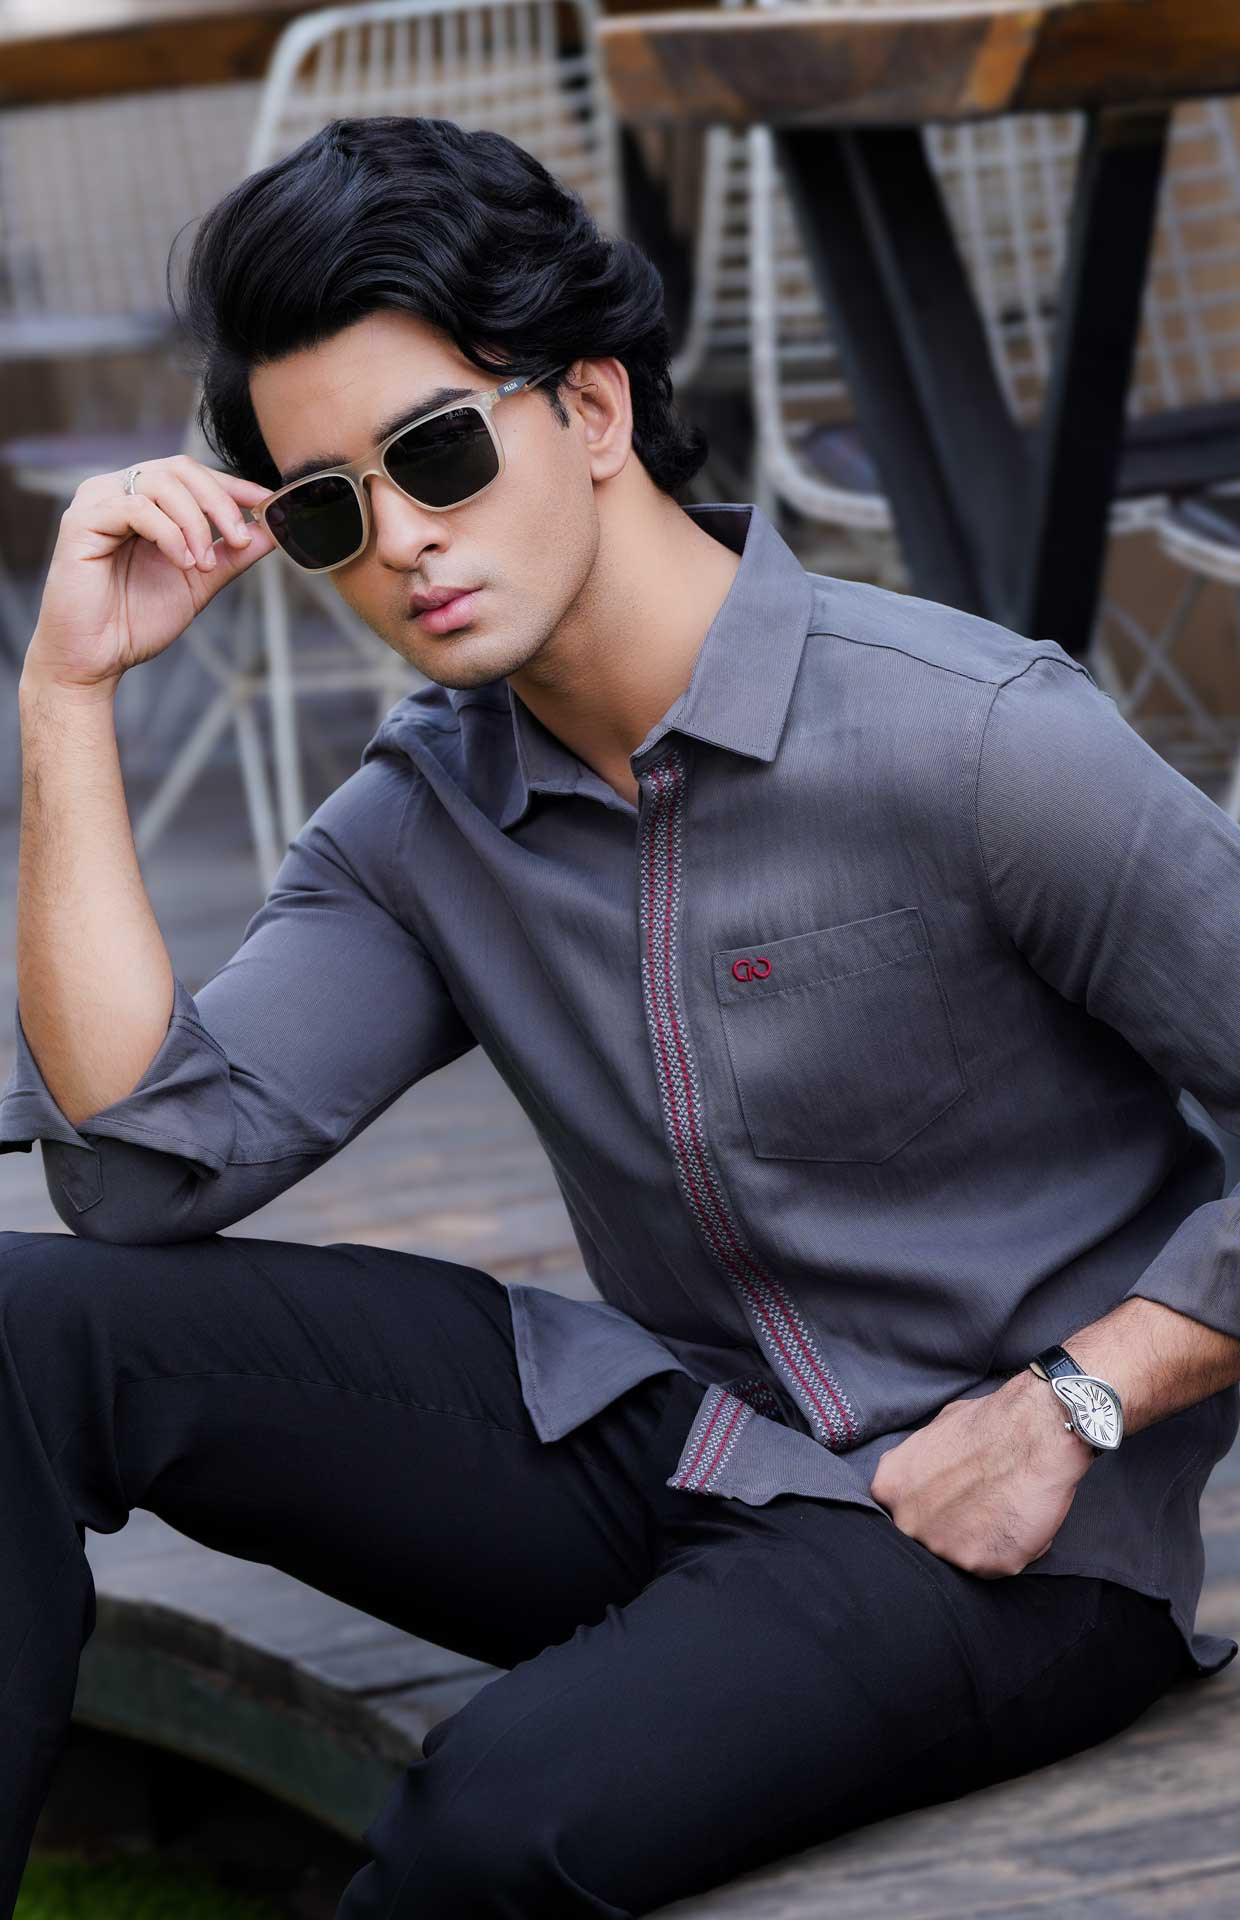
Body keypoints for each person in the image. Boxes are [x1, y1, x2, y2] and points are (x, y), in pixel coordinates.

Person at [2, 113, 1238, 1919]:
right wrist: (65, 697)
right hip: (670, 1452)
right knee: (23, 1325)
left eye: (436, 451)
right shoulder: (427, 818)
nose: (401, 542)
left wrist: (1073, 1404)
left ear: (589, 408)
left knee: (492, 1820)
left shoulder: (977, 738)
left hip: (999, 1534)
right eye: (332, 507)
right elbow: (137, 1174)